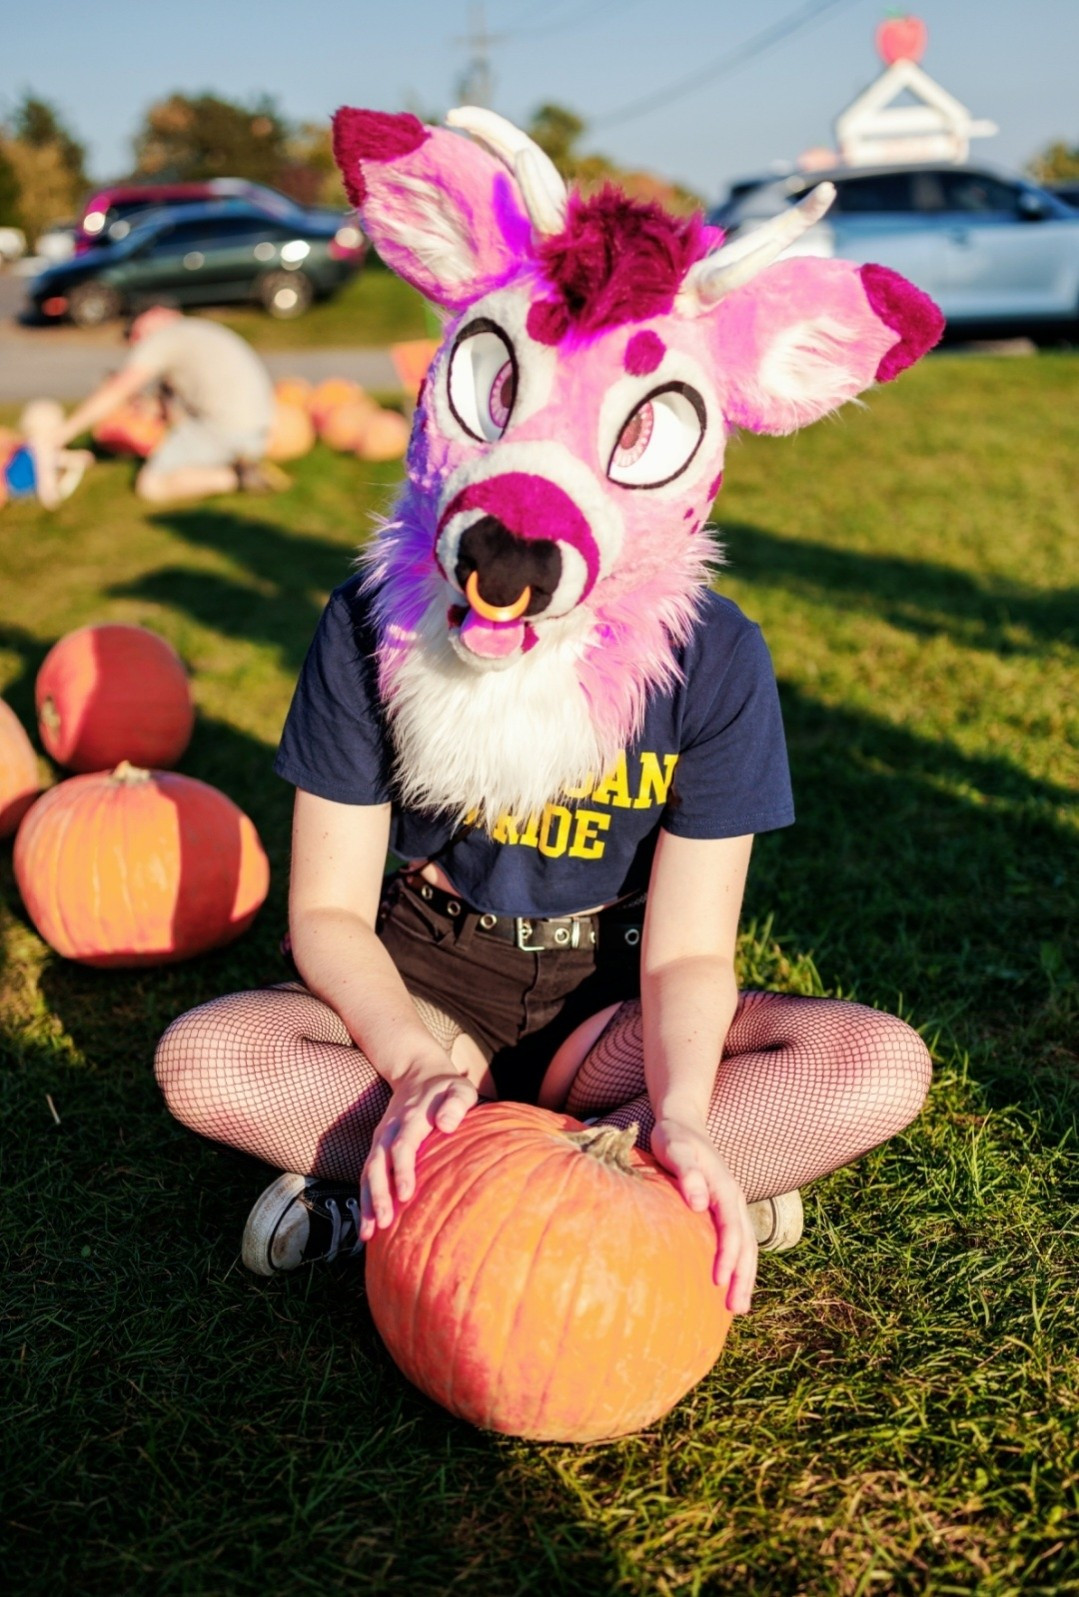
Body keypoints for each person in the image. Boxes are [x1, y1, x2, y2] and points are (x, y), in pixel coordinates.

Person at [155, 106, 943, 1319]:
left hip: (599, 1013)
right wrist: (417, 1063)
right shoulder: (375, 618)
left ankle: (504, 1175)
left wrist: (677, 1107)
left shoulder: (713, 659)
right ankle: (597, 1174)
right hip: (417, 986)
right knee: (205, 1059)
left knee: (875, 1067)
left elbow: (687, 950)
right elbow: (322, 912)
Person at [50, 306, 281, 503]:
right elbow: (173, 411)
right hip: (260, 428)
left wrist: (62, 433)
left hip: (226, 429)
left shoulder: (165, 338)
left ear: (152, 316)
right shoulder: (194, 331)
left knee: (150, 485)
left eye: (135, 332)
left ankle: (235, 477)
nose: (135, 342)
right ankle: (240, 462)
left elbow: (118, 390)